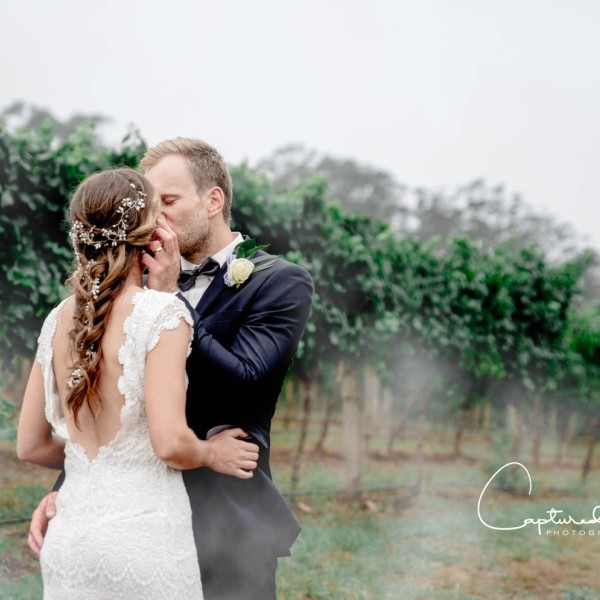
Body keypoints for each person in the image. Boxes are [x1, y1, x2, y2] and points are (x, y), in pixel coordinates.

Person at [29, 138, 314, 599]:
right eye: (150, 205)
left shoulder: (279, 282)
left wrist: (172, 303)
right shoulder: (133, 290)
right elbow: (107, 400)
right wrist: (78, 488)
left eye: (169, 202)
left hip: (227, 522)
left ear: (213, 200)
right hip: (136, 523)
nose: (156, 219)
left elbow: (247, 380)